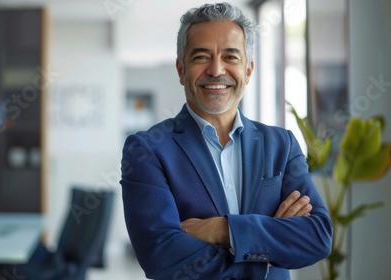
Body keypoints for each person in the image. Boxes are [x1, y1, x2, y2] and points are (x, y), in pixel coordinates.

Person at [120, 2, 333, 280]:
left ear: (248, 70)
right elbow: (162, 257)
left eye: (231, 57)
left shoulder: (282, 144)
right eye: (201, 57)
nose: (216, 70)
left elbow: (317, 237)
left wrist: (222, 230)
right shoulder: (147, 150)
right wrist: (264, 256)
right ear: (181, 70)